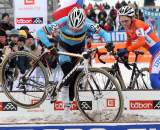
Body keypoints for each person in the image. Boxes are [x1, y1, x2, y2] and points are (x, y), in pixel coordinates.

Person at [37, 7, 110, 102]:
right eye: (72, 27)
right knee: (68, 73)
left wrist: (109, 42)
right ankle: (62, 95)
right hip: (64, 49)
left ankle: (69, 104)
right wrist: (50, 46)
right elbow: (40, 32)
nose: (75, 30)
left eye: (78, 29)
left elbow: (104, 33)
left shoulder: (88, 23)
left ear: (83, 22)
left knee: (76, 78)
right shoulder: (63, 21)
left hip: (79, 50)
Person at [117, 6, 160, 89]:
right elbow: (128, 42)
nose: (124, 23)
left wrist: (126, 50)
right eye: (122, 21)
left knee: (154, 79)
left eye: (126, 21)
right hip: (154, 53)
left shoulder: (138, 24)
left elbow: (141, 41)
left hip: (158, 51)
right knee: (154, 80)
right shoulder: (127, 27)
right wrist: (126, 57)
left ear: (132, 18)